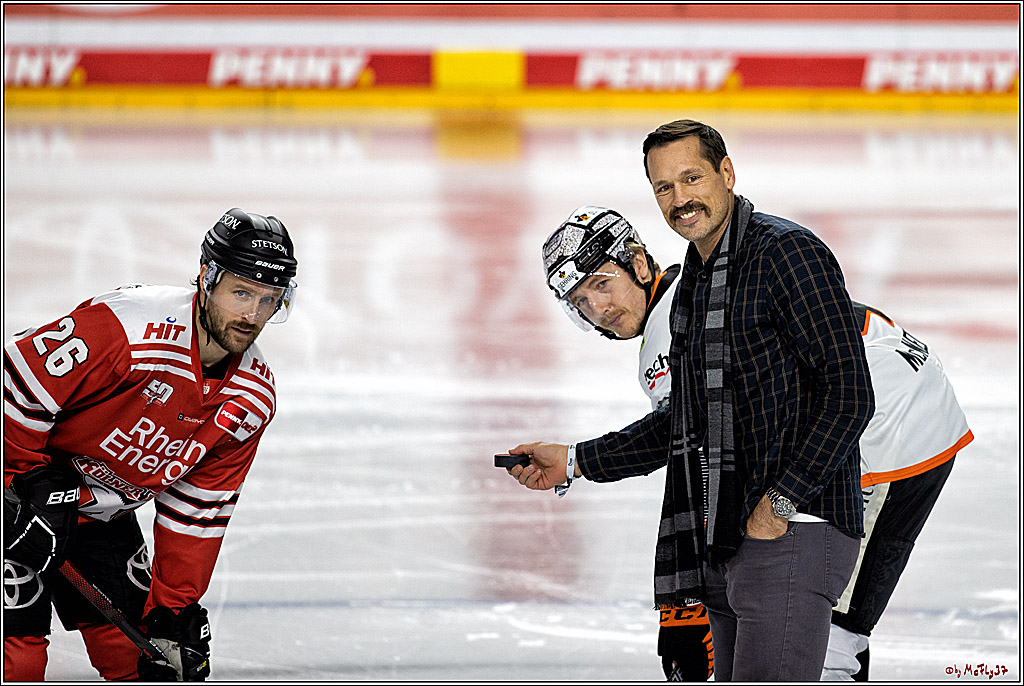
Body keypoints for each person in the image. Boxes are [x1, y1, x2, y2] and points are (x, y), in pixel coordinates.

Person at [508, 119, 875, 681]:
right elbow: (686, 424)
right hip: (734, 535)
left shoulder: (787, 253)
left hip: (798, 521)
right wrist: (577, 461)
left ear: (726, 173)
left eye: (691, 178)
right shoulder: (697, 281)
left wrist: (781, 504)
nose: (679, 198)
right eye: (663, 187)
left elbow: (850, 393)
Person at [539, 206, 973, 681]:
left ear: (640, 264)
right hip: (910, 409)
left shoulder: (675, 322)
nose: (597, 308)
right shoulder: (697, 292)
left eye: (602, 285)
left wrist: (579, 461)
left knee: (822, 632)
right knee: (829, 620)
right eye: (580, 301)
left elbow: (683, 436)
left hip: (888, 428)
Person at [4, 208, 298, 681]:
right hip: (18, 496)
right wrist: (17, 481)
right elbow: (12, 383)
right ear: (207, 277)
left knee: (138, 660)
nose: (252, 315)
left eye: (268, 300)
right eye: (241, 292)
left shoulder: (249, 400)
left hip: (98, 513)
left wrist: (173, 610)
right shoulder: (127, 328)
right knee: (16, 663)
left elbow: (198, 510)